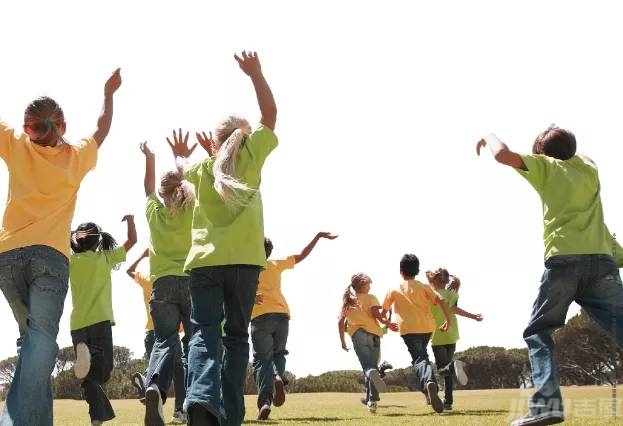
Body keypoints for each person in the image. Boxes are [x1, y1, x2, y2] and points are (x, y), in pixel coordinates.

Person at [476, 127, 623, 426]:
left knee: (538, 331)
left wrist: (488, 135)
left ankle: (547, 405)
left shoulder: (545, 167)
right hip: (601, 262)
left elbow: (503, 155)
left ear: (542, 153)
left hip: (564, 262)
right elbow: (584, 156)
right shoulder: (588, 170)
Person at [0, 69, 122, 425]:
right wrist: (109, 94)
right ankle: (13, 419)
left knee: (31, 341)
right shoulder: (75, 157)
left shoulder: (15, 144)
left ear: (28, 128)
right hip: (49, 259)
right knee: (41, 341)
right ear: (63, 126)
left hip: (7, 257)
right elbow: (102, 129)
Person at [168, 51, 277, 426]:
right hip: (246, 262)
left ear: (214, 143)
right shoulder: (252, 157)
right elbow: (271, 116)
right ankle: (230, 416)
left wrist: (190, 156)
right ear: (244, 139)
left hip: (205, 266)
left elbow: (179, 178)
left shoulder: (199, 169)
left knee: (204, 334)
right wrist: (256, 74)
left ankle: (199, 399)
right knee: (235, 338)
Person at [251, 232, 338, 420]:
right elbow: (301, 254)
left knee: (261, 360)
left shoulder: (248, 269)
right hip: (282, 315)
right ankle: (278, 378)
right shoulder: (275, 264)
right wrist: (318, 236)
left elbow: (234, 290)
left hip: (260, 317)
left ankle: (264, 402)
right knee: (279, 354)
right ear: (269, 252)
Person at [139, 140, 195, 426]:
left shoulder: (154, 212)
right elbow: (187, 185)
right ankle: (196, 402)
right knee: (197, 341)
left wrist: (150, 157)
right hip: (191, 281)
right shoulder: (191, 211)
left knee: (164, 341)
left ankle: (156, 388)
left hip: (161, 285)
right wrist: (181, 160)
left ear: (163, 193)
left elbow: (148, 187)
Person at [69, 217, 137, 425]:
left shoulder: (71, 261)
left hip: (78, 324)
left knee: (90, 377)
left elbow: (58, 243)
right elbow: (132, 241)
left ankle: (96, 419)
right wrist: (131, 221)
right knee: (104, 370)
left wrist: (68, 234)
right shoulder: (105, 258)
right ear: (98, 241)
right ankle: (91, 357)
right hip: (100, 321)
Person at [381, 253, 451, 414]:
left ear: (401, 271)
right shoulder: (424, 287)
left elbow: (383, 312)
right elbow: (441, 300)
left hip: (408, 330)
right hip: (426, 328)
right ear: (417, 270)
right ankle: (427, 389)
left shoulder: (394, 290)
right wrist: (449, 320)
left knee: (419, 358)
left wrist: (387, 323)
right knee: (421, 356)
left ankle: (428, 381)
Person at [126, 249, 188, 424]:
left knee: (158, 369)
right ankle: (178, 412)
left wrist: (143, 255)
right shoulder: (168, 277)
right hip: (169, 332)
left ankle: (147, 379)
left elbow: (129, 270)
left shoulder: (148, 277)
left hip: (150, 334)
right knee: (178, 372)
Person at [338, 273, 397, 414]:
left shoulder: (348, 301)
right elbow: (376, 314)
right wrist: (388, 322)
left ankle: (372, 397)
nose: (370, 286)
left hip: (358, 336)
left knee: (369, 368)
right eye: (369, 284)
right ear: (363, 284)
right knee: (373, 367)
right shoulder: (371, 298)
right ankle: (372, 401)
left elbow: (340, 322)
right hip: (374, 335)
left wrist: (342, 341)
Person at [427, 269, 483, 411]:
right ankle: (448, 402)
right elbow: (455, 310)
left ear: (433, 280)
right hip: (452, 334)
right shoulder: (453, 294)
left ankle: (452, 368)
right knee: (448, 371)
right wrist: (474, 316)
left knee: (443, 369)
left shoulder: (431, 295)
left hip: (438, 334)